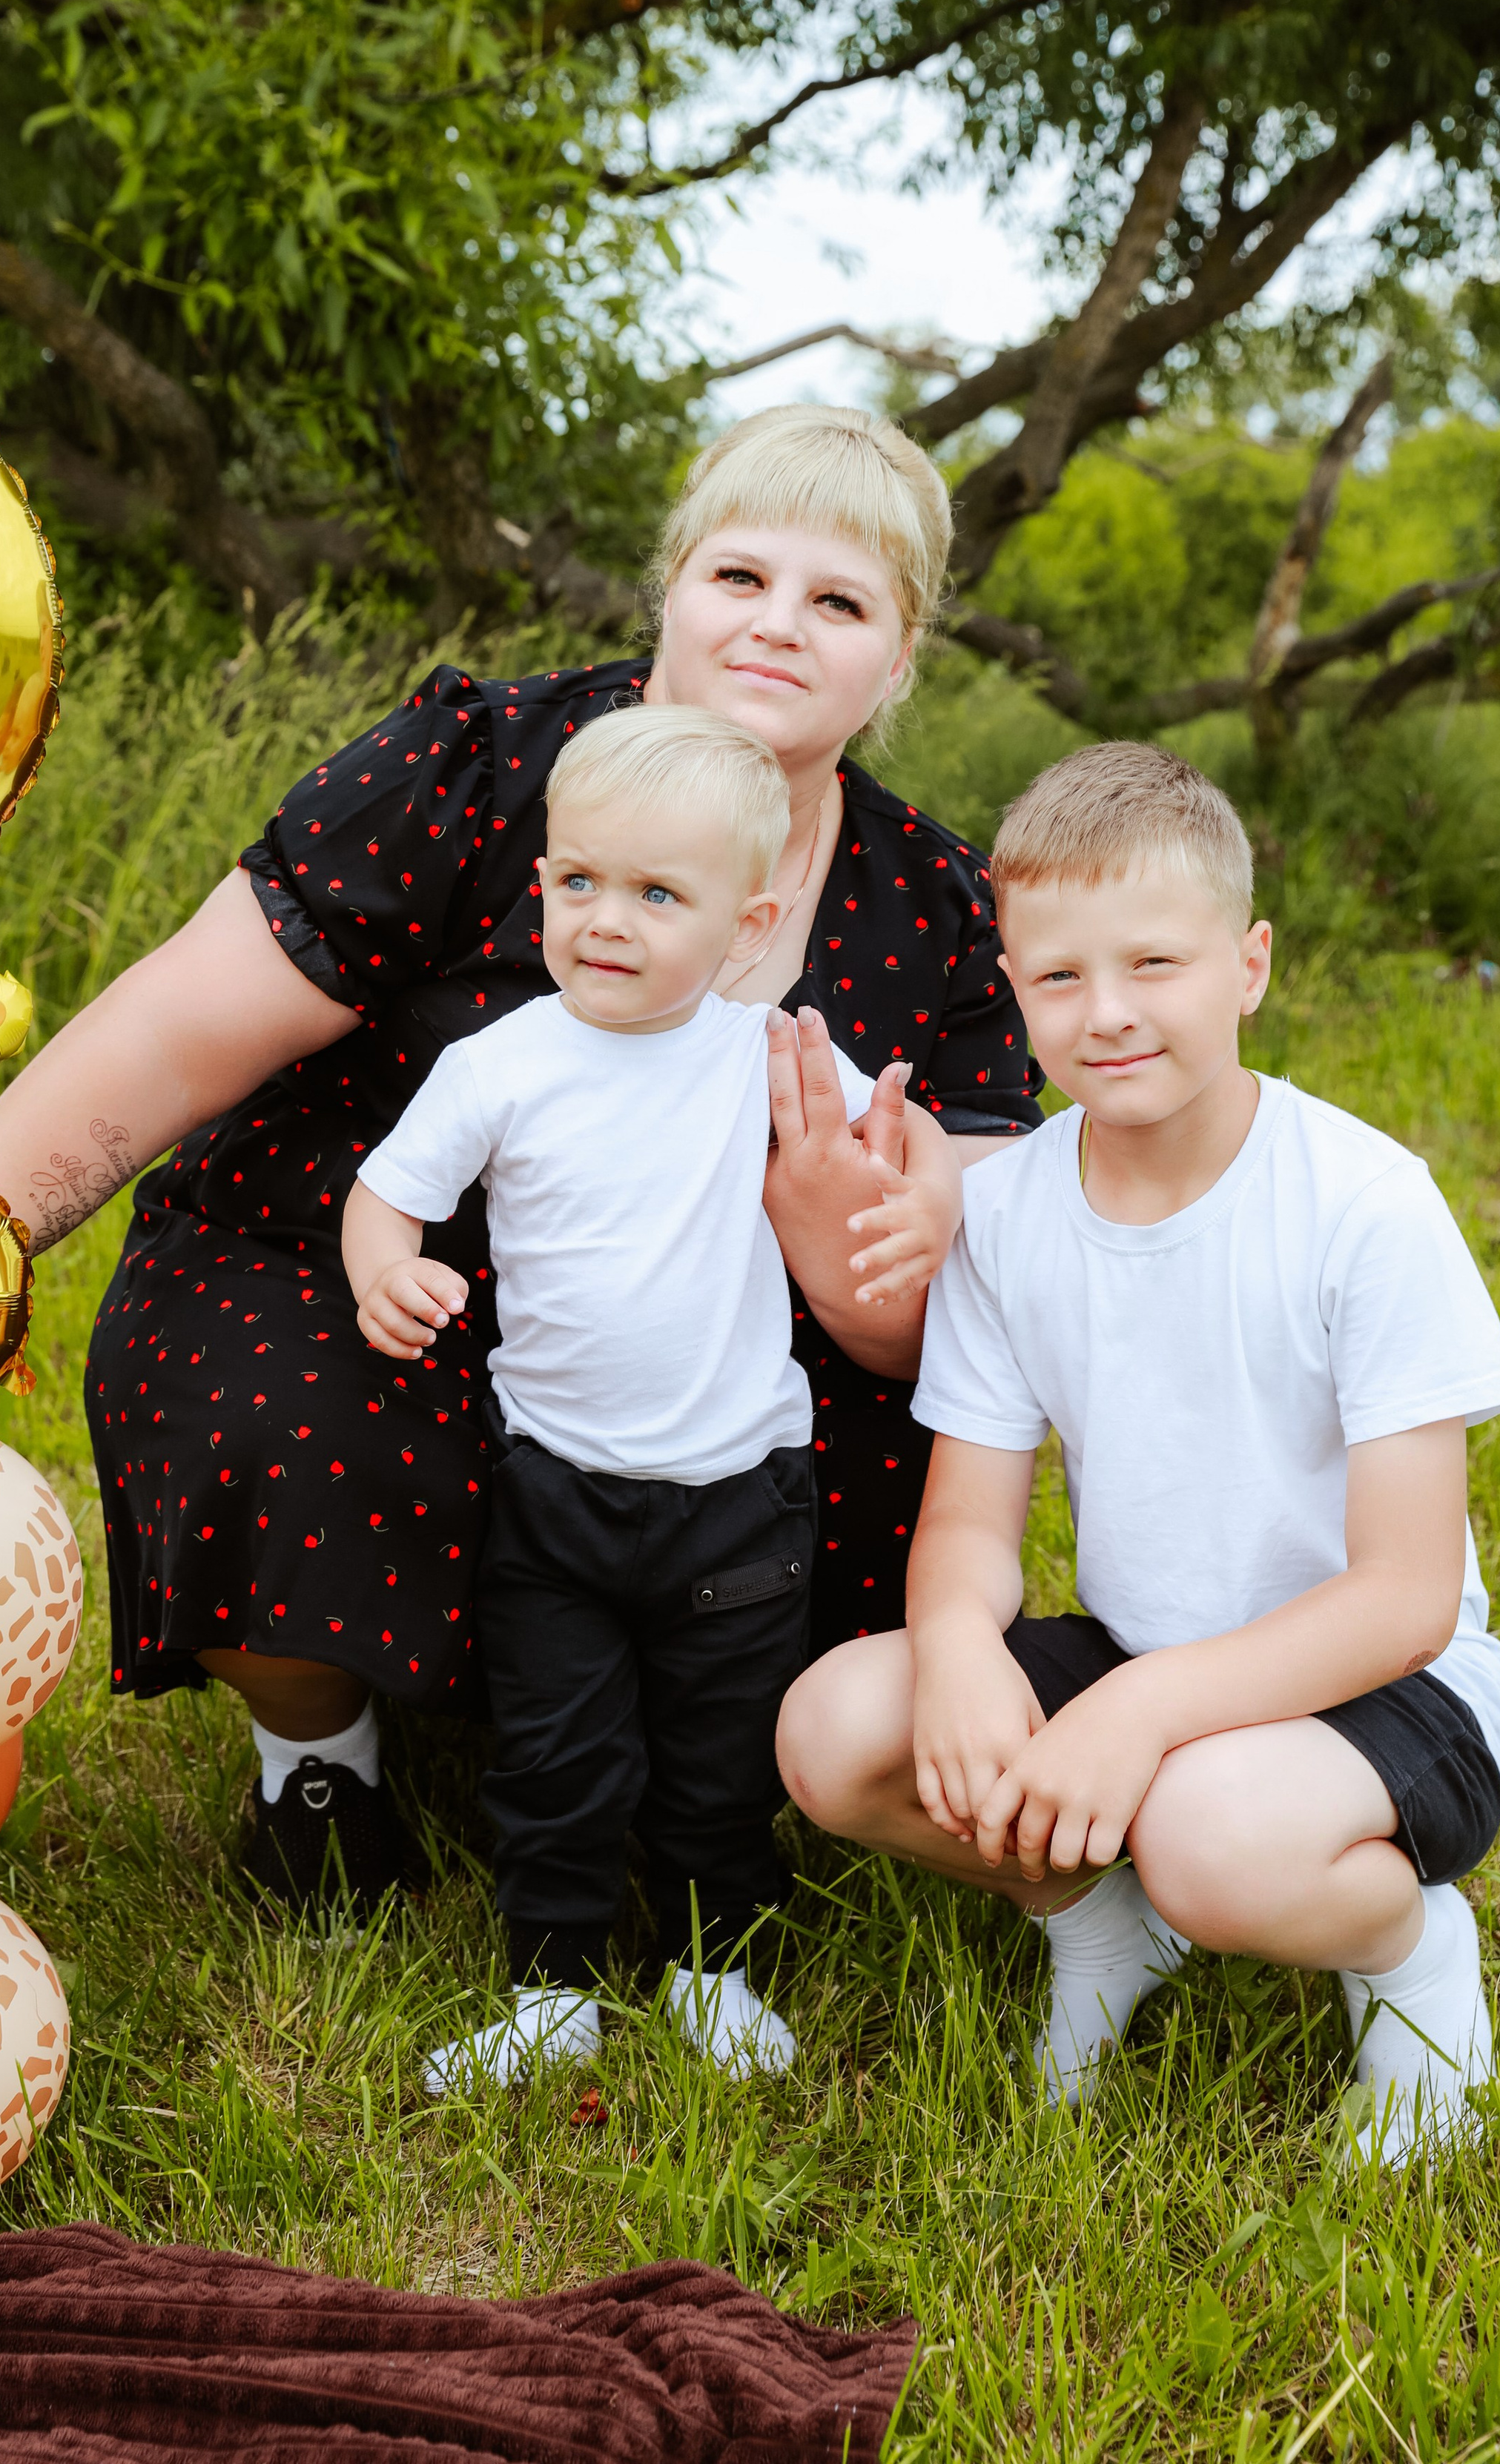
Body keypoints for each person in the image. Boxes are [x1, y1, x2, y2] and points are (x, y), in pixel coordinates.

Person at [0, 404, 1044, 1913]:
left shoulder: (935, 908)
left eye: (838, 601)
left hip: (731, 1367)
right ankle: (321, 1762)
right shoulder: (475, 761)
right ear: (667, 586)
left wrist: (841, 1257)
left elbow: (985, 1302)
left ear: (897, 654)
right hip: (395, 1285)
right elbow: (176, 1036)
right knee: (241, 1370)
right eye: (738, 576)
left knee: (910, 1449)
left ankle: (711, 1776)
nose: (777, 626)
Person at [776, 743, 1500, 2163]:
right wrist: (956, 1650)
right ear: (1014, 987)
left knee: (1202, 1834)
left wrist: (1139, 1716)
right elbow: (972, 1526)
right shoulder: (1010, 1220)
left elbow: (1407, 1592)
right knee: (837, 1731)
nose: (1106, 1014)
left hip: (1391, 1692)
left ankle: (1411, 1950)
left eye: (1155, 965)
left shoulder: (1363, 1202)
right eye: (1058, 978)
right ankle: (1101, 1923)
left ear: (1247, 964)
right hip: (1148, 1654)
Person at [343, 704, 959, 2083]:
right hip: (555, 1494)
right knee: (555, 1759)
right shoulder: (502, 1065)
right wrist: (389, 1270)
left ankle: (713, 1966)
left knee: (718, 1760)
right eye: (580, 881)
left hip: (741, 1501)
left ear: (744, 929)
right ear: (544, 884)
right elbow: (388, 1193)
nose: (607, 919)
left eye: (658, 894)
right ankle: (549, 1988)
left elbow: (903, 1152)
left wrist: (920, 1205)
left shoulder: (767, 1054)